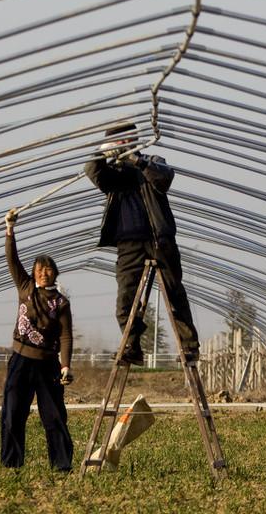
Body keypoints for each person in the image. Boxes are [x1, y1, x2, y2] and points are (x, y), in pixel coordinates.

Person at [84, 122, 199, 366]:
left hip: (159, 239)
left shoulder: (151, 161)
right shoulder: (114, 173)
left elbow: (164, 178)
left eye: (128, 139)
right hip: (128, 244)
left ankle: (189, 346)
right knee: (126, 299)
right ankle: (132, 346)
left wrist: (138, 161)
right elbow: (93, 171)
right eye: (119, 141)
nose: (125, 144)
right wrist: (102, 152)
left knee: (173, 291)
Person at [0, 208, 74, 471]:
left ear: (56, 273)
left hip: (47, 365)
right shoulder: (25, 287)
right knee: (12, 414)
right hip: (21, 361)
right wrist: (10, 228)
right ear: (33, 273)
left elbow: (65, 336)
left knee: (54, 417)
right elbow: (12, 259)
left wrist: (65, 365)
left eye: (49, 269)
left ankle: (62, 465)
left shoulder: (61, 303)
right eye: (40, 269)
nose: (44, 272)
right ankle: (12, 464)